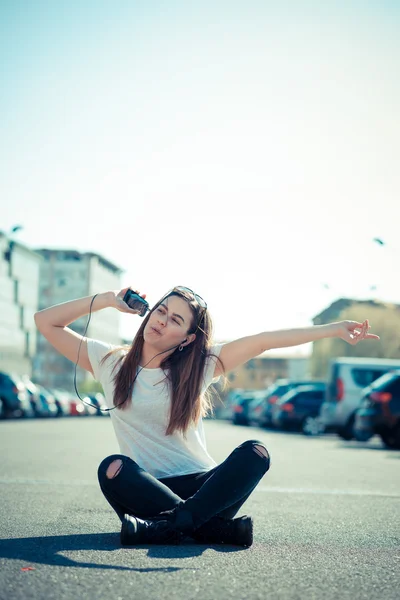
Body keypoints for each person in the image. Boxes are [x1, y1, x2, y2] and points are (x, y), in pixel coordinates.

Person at [34, 286, 379, 548]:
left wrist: (333, 329)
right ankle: (210, 529)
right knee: (112, 468)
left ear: (186, 339)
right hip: (148, 492)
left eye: (176, 320)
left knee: (255, 452)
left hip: (206, 491)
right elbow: (45, 321)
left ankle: (173, 526)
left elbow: (262, 342)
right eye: (161, 311)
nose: (162, 321)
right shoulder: (108, 361)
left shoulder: (198, 367)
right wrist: (109, 299)